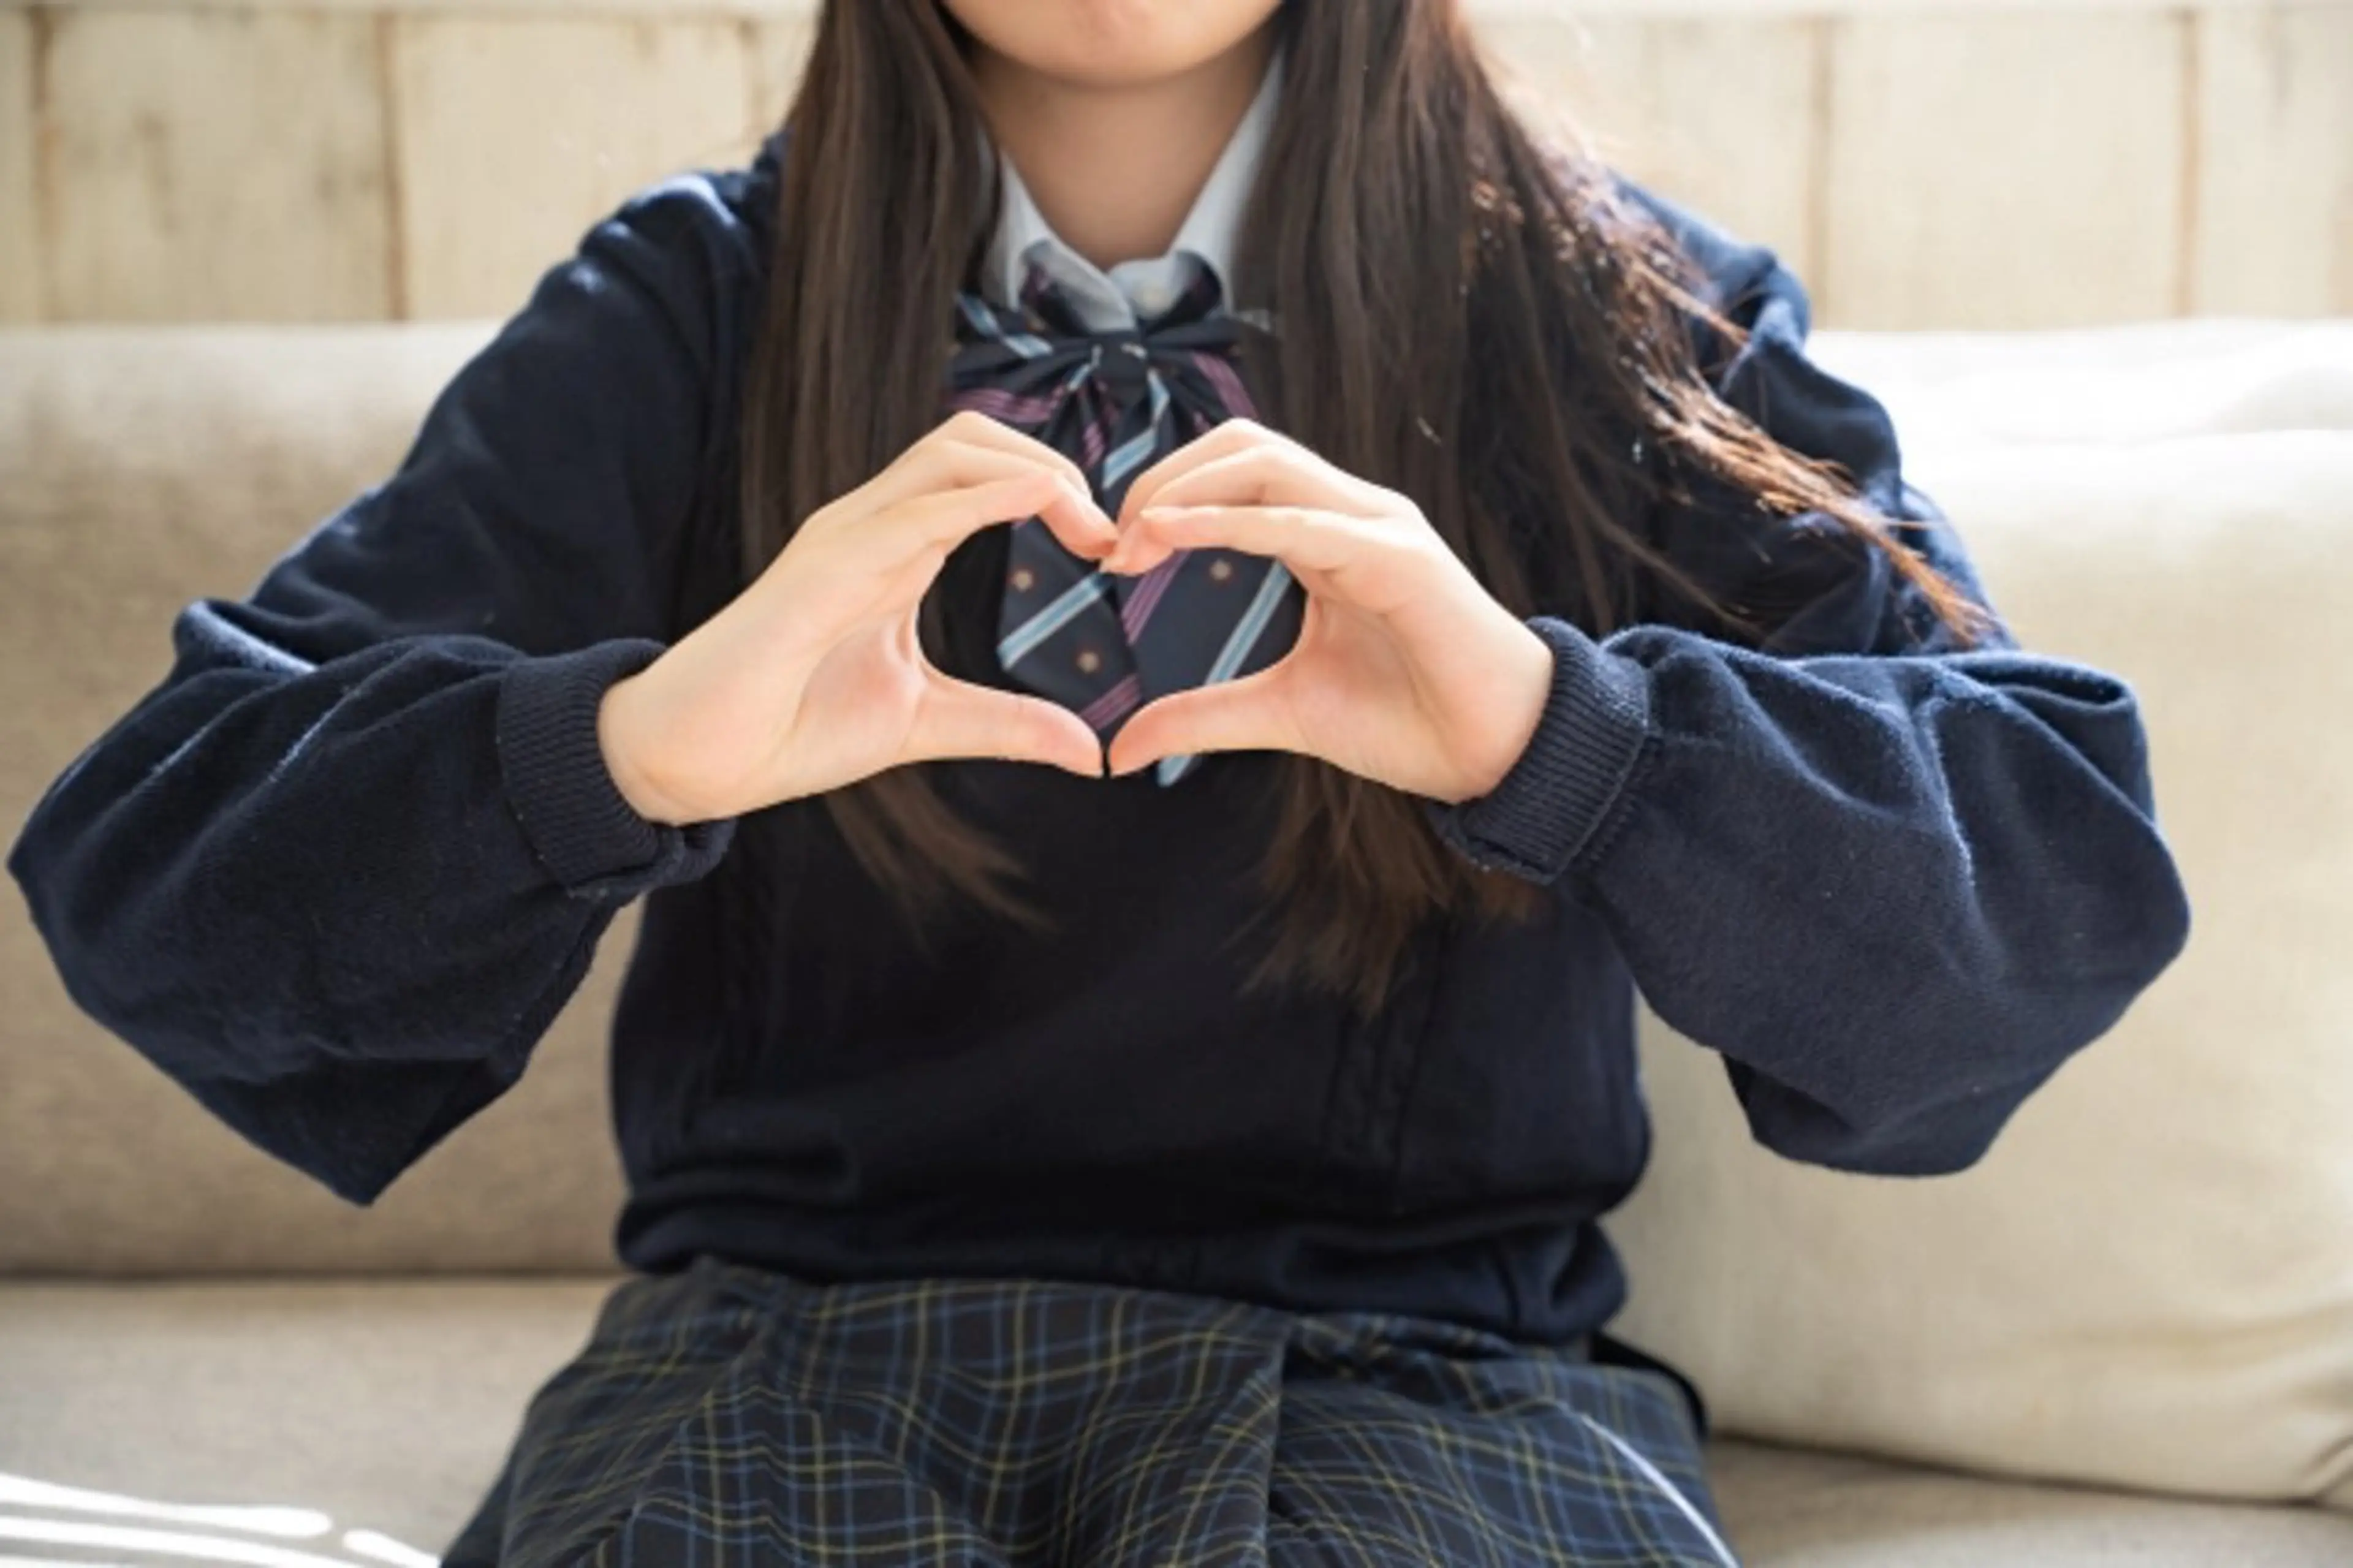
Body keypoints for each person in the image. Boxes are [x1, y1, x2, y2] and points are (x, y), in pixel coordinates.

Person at [6, 1, 2192, 1562]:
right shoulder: (693, 308)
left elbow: (2042, 895)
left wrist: (1563, 740)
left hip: (1435, 1391)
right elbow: (159, 882)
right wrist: (622, 747)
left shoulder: (1621, 312)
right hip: (768, 1376)